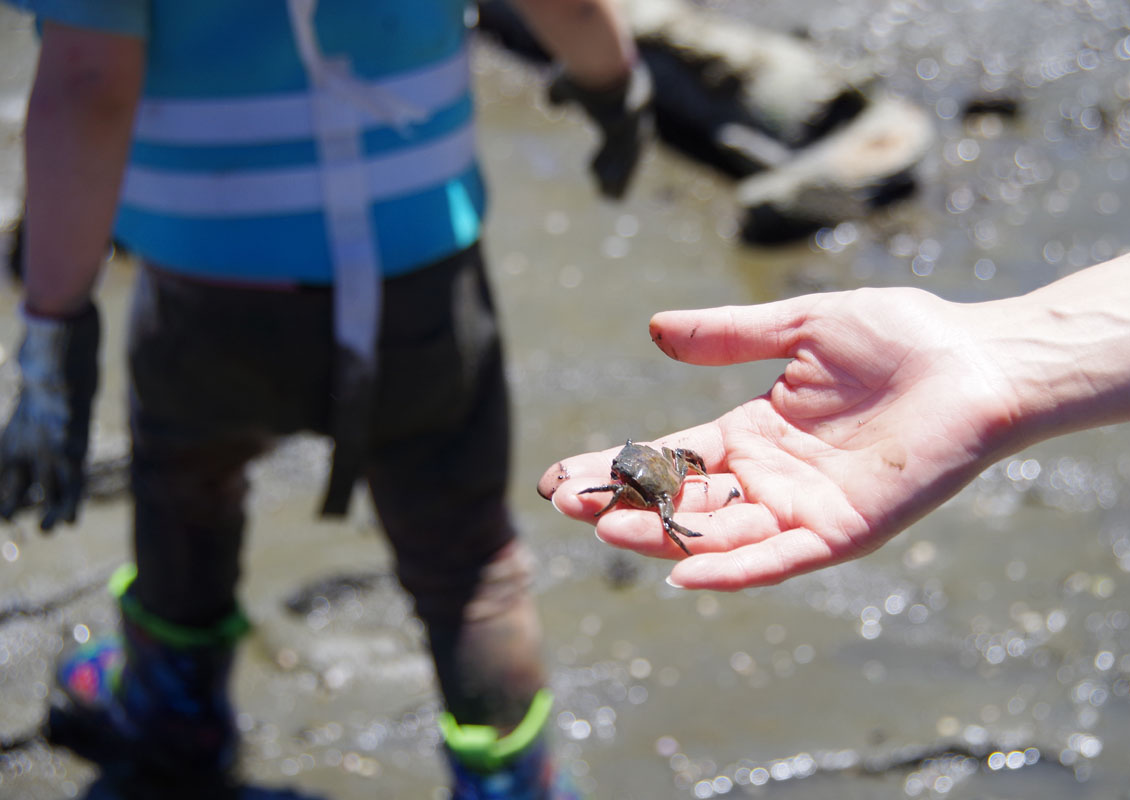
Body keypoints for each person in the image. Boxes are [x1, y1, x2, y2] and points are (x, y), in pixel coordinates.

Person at [0, 1, 652, 797]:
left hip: (207, 283)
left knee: (184, 495)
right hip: (417, 279)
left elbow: (86, 81)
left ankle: (174, 712)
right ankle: (510, 784)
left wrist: (53, 330)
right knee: (469, 565)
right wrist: (614, 85)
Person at [539, 223, 1130, 592]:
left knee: (663, 500)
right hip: (666, 477)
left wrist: (990, 359)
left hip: (669, 480)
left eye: (624, 471)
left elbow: (669, 470)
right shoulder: (657, 470)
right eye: (625, 470)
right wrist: (995, 358)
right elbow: (662, 468)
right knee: (659, 491)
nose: (623, 471)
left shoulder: (665, 474)